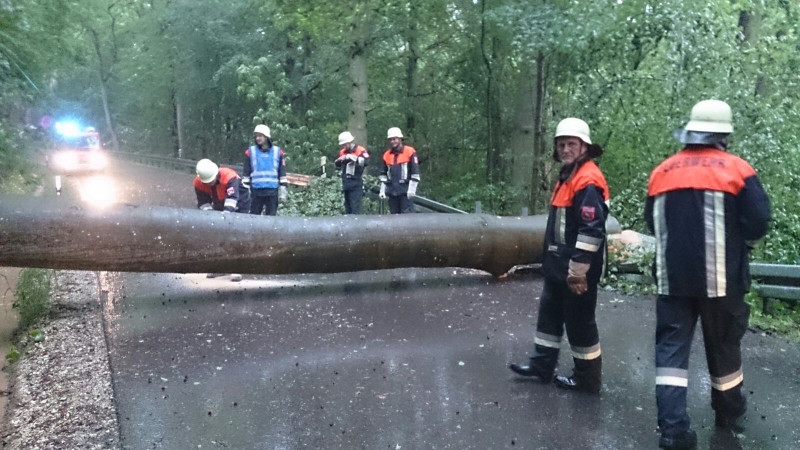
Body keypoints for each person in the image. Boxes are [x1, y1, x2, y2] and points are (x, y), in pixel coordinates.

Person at [645, 100, 771, 450]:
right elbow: (759, 221)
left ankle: (673, 432)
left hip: (672, 280)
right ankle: (728, 413)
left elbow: (650, 222)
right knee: (724, 348)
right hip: (723, 281)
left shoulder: (662, 172)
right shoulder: (737, 169)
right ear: (724, 136)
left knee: (670, 355)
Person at [509, 118, 609, 394]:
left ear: (584, 147)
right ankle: (542, 367)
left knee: (579, 323)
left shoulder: (587, 180)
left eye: (571, 144)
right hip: (557, 264)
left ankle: (587, 380)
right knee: (549, 316)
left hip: (577, 268)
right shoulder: (568, 175)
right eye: (561, 144)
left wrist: (578, 271)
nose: (565, 149)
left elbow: (591, 230)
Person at [194, 158, 251, 282]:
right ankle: (219, 266)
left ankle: (236, 267)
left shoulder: (229, 176)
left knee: (236, 234)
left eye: (212, 181)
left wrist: (224, 218)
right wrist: (211, 218)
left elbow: (232, 199)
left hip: (239, 202)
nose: (210, 183)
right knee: (217, 235)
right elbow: (203, 202)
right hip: (219, 202)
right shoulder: (199, 183)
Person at [242, 124, 288, 216]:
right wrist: (245, 192)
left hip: (272, 191)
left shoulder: (277, 152)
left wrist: (283, 191)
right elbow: (246, 173)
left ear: (266, 137)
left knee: (271, 218)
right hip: (256, 191)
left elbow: (282, 173)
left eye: (260, 136)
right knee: (254, 218)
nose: (257, 138)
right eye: (256, 136)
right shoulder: (250, 152)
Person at [379, 127, 420, 214]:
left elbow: (415, 173)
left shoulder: (410, 152)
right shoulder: (386, 155)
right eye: (390, 139)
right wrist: (382, 190)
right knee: (394, 219)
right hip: (392, 192)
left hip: (405, 192)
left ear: (400, 139)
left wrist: (412, 190)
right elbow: (383, 175)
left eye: (394, 139)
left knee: (407, 218)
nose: (392, 141)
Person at [334, 131, 369, 214]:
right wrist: (338, 161)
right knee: (348, 209)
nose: (344, 147)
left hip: (356, 183)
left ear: (350, 142)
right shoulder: (342, 152)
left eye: (345, 144)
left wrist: (350, 157)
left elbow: (366, 162)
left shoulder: (360, 150)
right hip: (346, 183)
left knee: (355, 209)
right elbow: (338, 165)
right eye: (343, 145)